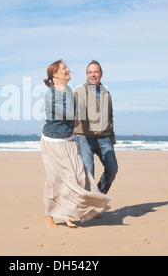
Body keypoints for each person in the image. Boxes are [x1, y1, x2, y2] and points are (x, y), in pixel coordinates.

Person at [41, 59, 111, 228]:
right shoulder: (50, 94)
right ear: (55, 74)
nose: (68, 70)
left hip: (69, 139)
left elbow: (72, 116)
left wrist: (76, 119)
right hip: (54, 141)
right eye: (64, 68)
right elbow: (65, 114)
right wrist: (76, 116)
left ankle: (68, 214)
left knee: (79, 176)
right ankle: (49, 214)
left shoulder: (69, 90)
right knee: (57, 179)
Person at [74, 60, 118, 194]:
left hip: (104, 138)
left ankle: (98, 197)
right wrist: (74, 118)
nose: (93, 75)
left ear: (101, 74)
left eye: (96, 72)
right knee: (89, 175)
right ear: (86, 74)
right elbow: (77, 109)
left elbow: (110, 117)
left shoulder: (106, 93)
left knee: (112, 169)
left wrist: (111, 139)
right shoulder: (80, 91)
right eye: (90, 72)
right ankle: (88, 206)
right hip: (84, 137)